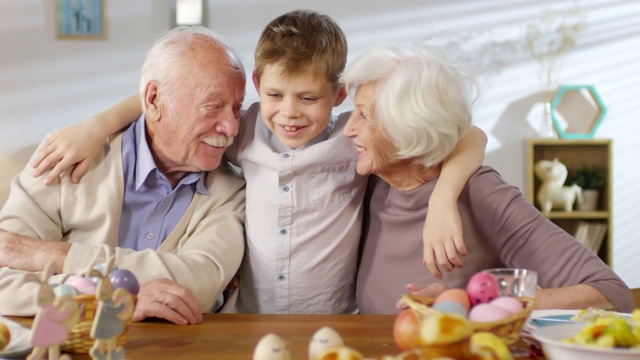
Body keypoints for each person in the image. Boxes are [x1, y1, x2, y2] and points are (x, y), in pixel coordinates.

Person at [28, 10, 488, 314]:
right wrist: (94, 127)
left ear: (339, 95)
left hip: (331, 315)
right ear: (257, 83)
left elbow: (468, 134)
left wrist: (444, 199)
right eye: (274, 95)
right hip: (250, 317)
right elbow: (167, 98)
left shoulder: (355, 137)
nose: (289, 113)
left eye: (308, 98)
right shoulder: (242, 130)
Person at [339, 45, 635, 314]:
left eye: (364, 115)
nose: (348, 130)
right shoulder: (368, 180)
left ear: (409, 127)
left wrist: (470, 303)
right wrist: (442, 198)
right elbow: (471, 134)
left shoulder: (480, 192)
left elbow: (611, 293)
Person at [0, 26, 247, 324]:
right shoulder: (64, 158)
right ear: (154, 100)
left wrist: (56, 256)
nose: (231, 127)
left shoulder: (231, 190)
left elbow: (200, 284)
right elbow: (4, 279)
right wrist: (108, 300)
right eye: (213, 107)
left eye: (236, 108)